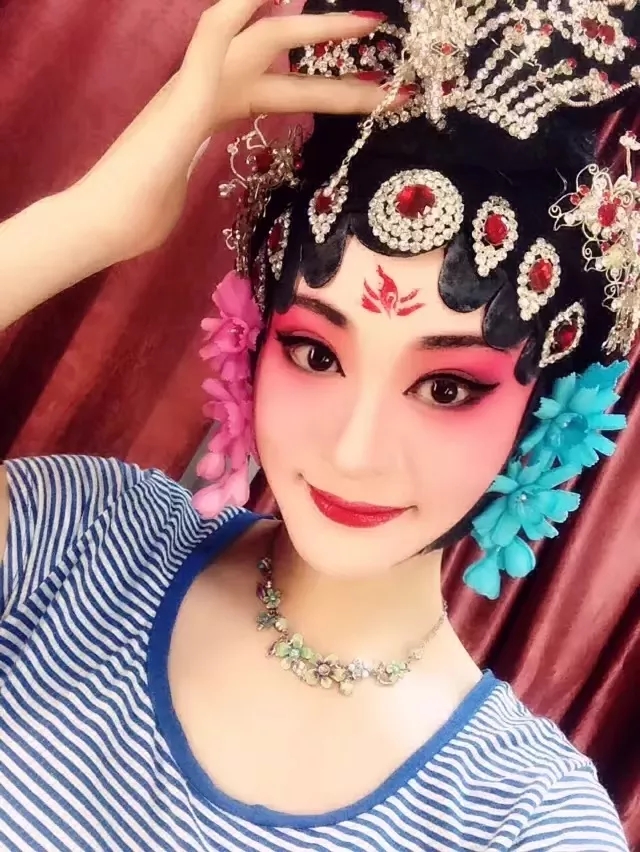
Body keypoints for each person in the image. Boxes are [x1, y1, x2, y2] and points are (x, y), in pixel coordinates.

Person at [0, 0, 636, 850]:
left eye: (447, 387)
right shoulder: (81, 539)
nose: (353, 450)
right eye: (316, 353)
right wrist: (84, 221)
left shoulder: (528, 821)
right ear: (251, 343)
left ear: (546, 415)